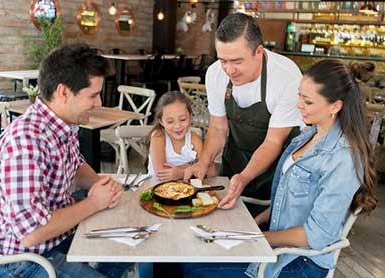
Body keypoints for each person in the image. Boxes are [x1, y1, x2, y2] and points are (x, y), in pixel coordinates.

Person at [181, 59, 378, 278]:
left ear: (335, 106)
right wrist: (255, 222)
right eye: (299, 96)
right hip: (275, 246)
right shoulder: (308, 136)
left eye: (308, 101)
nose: (298, 105)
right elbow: (289, 201)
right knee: (189, 252)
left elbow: (317, 236)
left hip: (300, 262)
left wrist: (256, 237)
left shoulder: (343, 158)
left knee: (192, 267)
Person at [0, 43, 132, 277]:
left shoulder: (62, 124)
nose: (99, 104)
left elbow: (76, 167)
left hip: (57, 239)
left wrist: (99, 186)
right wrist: (94, 203)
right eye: (93, 95)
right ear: (64, 92)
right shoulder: (25, 142)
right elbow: (32, 233)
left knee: (126, 249)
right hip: (22, 262)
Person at [184, 13, 302, 215]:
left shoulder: (286, 77)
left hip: (273, 172)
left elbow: (273, 141)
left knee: (261, 235)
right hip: (234, 161)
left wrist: (244, 177)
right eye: (223, 60)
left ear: (258, 51)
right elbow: (218, 127)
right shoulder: (215, 73)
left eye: (237, 61)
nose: (229, 70)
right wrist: (203, 162)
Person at [147, 91, 216, 181]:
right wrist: (193, 166)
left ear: (190, 117)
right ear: (161, 121)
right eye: (170, 121)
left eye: (182, 119)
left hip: (185, 190)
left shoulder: (194, 139)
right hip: (156, 188)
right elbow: (162, 174)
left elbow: (212, 171)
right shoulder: (158, 137)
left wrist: (181, 173)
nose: (177, 126)